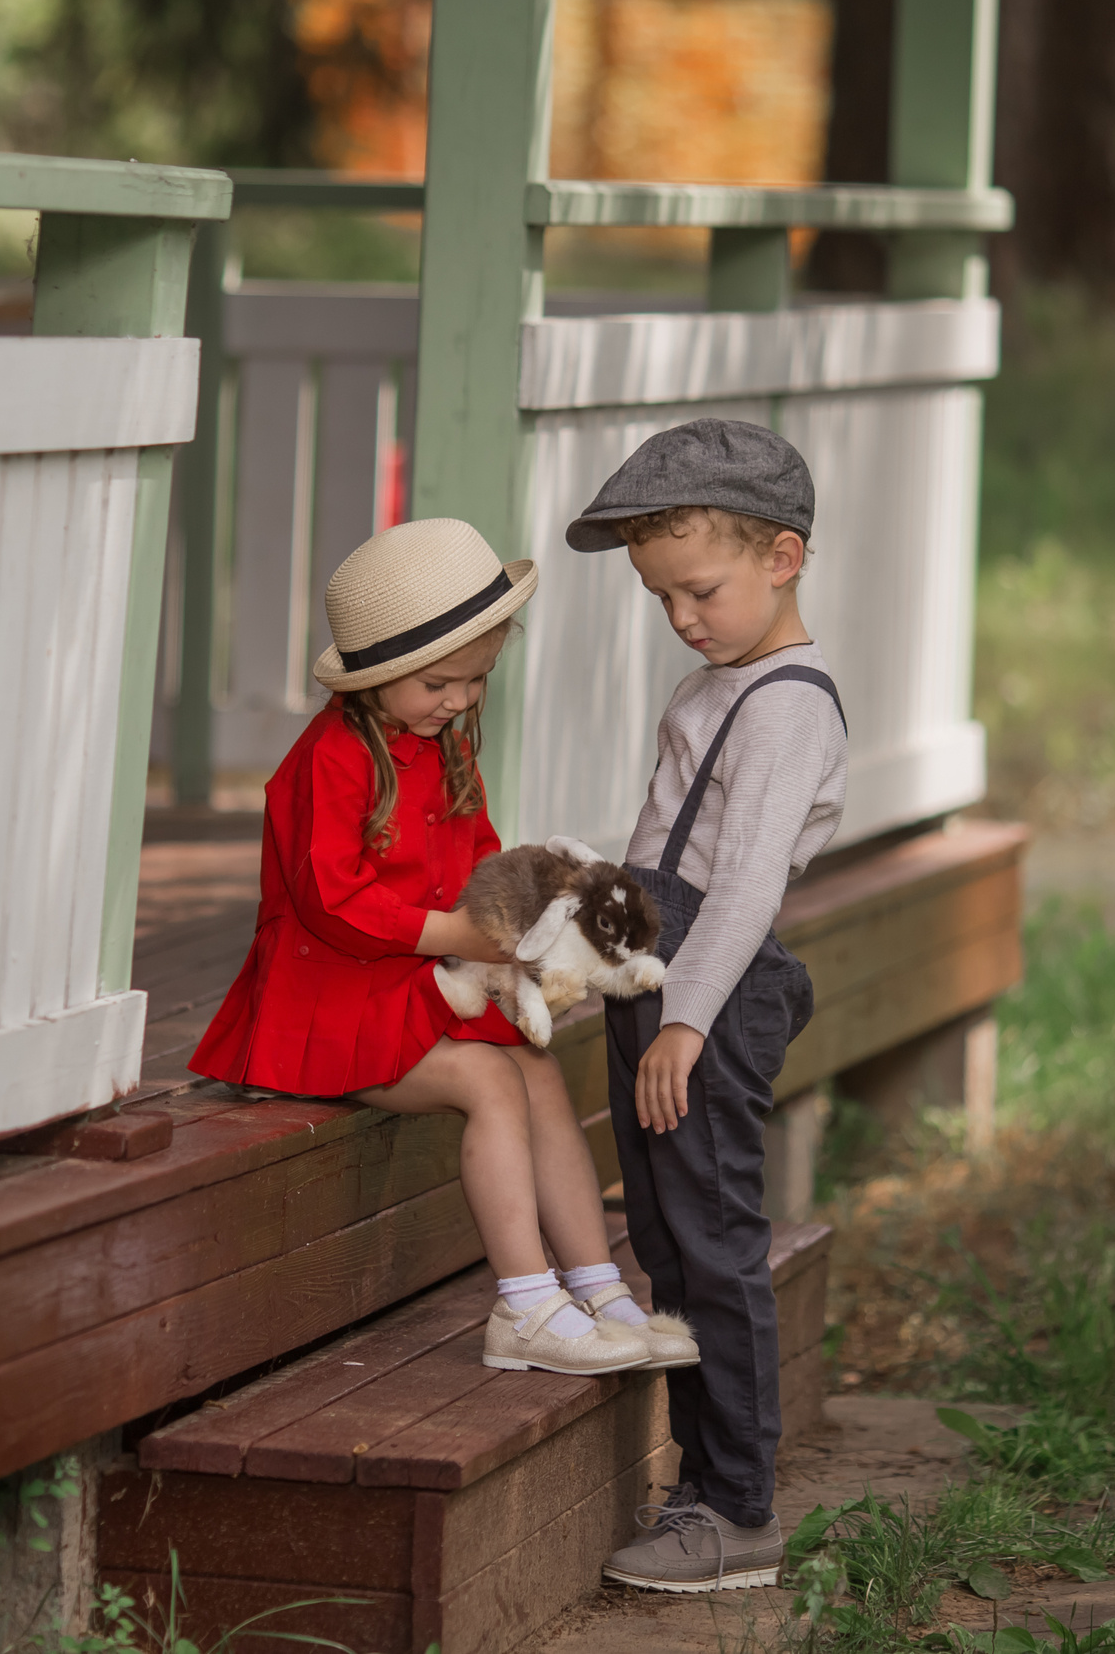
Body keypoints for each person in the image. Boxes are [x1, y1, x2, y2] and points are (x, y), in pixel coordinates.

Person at [191, 517, 688, 1377]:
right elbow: (331, 901)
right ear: (376, 676)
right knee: (490, 1077)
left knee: (535, 1063)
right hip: (328, 1000)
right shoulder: (330, 761)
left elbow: (479, 864)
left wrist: (526, 925)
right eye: (438, 682)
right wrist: (461, 936)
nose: (459, 700)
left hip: (417, 982)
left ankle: (600, 1286)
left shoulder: (443, 746)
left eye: (476, 680)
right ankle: (525, 1305)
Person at [569, 419, 849, 1592]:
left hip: (710, 1004)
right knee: (667, 1242)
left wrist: (681, 1019)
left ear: (781, 557)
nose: (683, 618)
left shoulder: (785, 704)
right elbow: (652, 854)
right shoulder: (714, 685)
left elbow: (742, 885)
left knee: (717, 1244)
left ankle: (737, 1507)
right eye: (662, 598)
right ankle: (700, 1480)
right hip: (663, 985)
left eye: (701, 590)